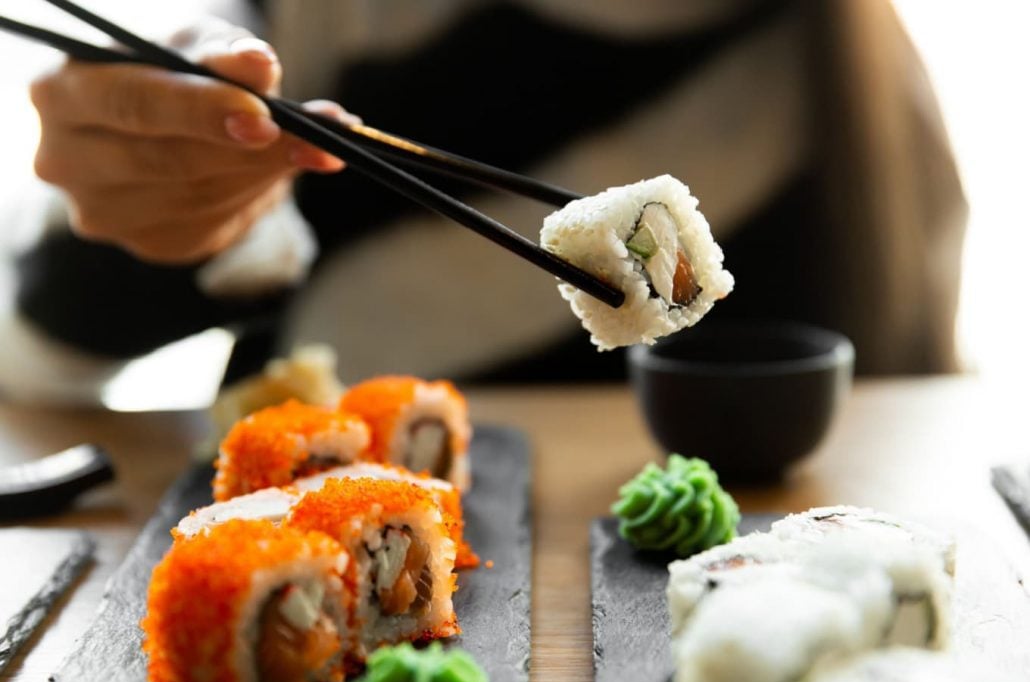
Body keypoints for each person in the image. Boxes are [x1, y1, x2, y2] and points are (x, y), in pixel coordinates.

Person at [1, 0, 967, 400]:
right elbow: (47, 348)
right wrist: (159, 146)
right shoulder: (328, 21)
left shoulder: (854, 89)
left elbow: (915, 427)